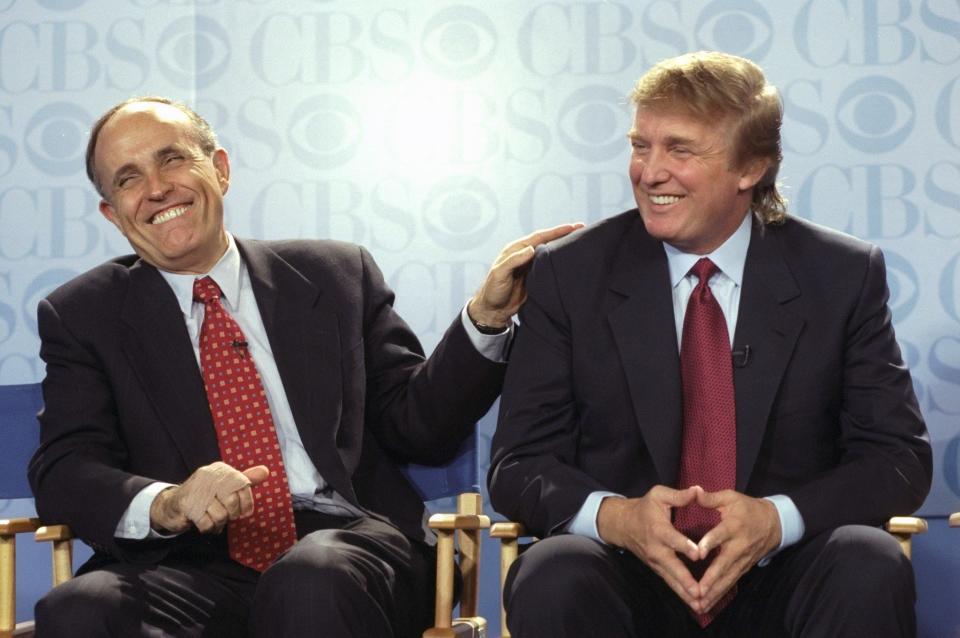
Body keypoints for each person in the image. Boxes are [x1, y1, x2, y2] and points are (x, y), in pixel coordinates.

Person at [27, 96, 579, 638]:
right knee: (81, 608)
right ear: (112, 214)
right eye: (127, 179)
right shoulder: (83, 315)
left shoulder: (334, 274)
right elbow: (65, 468)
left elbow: (419, 427)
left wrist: (483, 318)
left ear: (220, 169)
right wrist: (168, 502)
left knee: (310, 577)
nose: (155, 189)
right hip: (185, 561)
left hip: (344, 544)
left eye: (172, 159)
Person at [488, 51, 932, 637]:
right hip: (627, 574)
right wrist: (617, 518)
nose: (649, 172)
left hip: (783, 574)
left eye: (680, 149)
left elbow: (898, 458)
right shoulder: (570, 275)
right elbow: (518, 465)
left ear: (751, 168)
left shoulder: (840, 275)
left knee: (867, 563)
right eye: (640, 146)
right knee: (552, 570)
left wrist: (778, 520)